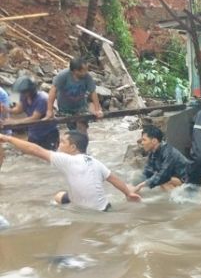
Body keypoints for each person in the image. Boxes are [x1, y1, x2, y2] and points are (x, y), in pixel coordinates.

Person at [0, 131, 140, 210]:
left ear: (73, 148)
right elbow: (114, 179)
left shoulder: (68, 160)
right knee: (59, 195)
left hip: (89, 213)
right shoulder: (95, 162)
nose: (59, 145)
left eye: (62, 143)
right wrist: (128, 193)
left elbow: (34, 149)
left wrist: (7, 138)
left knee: (57, 201)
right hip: (105, 208)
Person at [46, 57, 103, 134]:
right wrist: (49, 110)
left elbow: (93, 92)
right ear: (75, 71)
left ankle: (83, 141)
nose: (86, 72)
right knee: (72, 130)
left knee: (82, 128)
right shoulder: (63, 76)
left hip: (81, 107)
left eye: (87, 69)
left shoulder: (87, 77)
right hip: (65, 109)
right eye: (84, 70)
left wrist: (97, 110)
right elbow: (53, 91)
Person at [2, 76, 60, 151]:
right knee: (32, 155)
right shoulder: (23, 96)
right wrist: (7, 109)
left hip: (48, 133)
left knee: (48, 155)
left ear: (30, 91)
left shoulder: (42, 99)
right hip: (34, 133)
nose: (21, 94)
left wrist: (14, 121)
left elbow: (34, 118)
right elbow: (18, 109)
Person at [132, 125, 189, 192]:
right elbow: (147, 172)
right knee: (138, 176)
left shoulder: (168, 152)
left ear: (154, 141)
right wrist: (133, 186)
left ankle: (177, 200)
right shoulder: (153, 153)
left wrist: (140, 186)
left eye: (144, 140)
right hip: (174, 177)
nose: (142, 143)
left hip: (187, 180)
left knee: (162, 180)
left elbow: (163, 176)